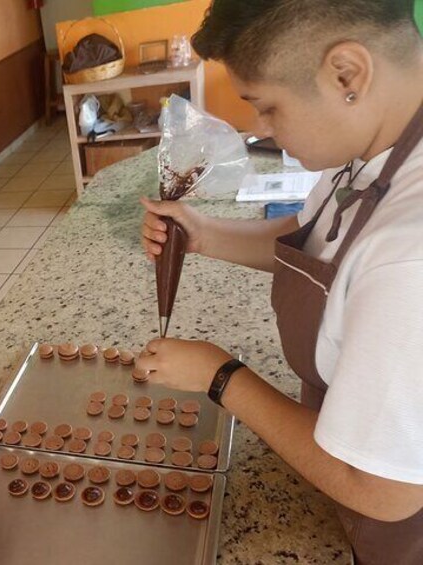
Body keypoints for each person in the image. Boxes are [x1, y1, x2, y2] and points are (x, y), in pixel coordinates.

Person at [138, 1, 423, 564]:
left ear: (347, 74)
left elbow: (384, 492)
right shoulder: (377, 146)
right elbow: (311, 234)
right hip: (334, 433)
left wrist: (222, 378)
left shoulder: (407, 258)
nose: (258, 128)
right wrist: (203, 234)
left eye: (266, 107)